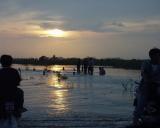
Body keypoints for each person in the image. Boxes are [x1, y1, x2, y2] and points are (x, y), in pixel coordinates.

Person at [128, 48, 160, 128]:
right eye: (157, 55)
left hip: (157, 86)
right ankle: (135, 122)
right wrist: (149, 81)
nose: (159, 57)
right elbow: (144, 74)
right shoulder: (146, 63)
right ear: (151, 56)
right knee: (141, 103)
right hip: (146, 86)